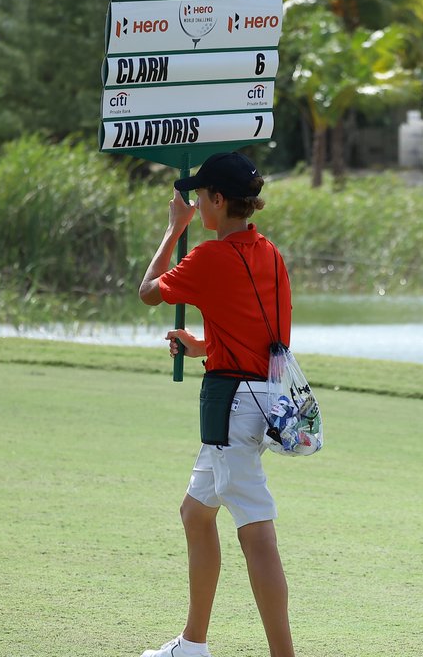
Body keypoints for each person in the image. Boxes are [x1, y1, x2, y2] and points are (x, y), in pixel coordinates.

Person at [137, 152, 295, 657]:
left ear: (218, 200)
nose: (196, 203)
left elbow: (147, 292)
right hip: (263, 397)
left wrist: (173, 228)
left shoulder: (207, 256)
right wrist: (203, 345)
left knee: (256, 532)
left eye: (200, 196)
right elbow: (261, 332)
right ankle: (193, 644)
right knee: (195, 514)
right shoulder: (268, 251)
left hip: (231, 405)